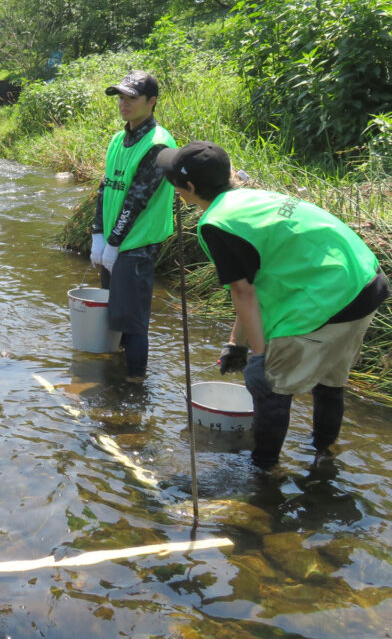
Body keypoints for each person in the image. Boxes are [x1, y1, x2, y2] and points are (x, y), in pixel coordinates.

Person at [158, 141, 389, 469]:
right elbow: (254, 283)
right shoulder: (250, 197)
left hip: (329, 297)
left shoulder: (215, 223)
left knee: (268, 387)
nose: (176, 191)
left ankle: (264, 475)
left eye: (176, 184)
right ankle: (324, 460)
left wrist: (260, 356)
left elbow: (243, 293)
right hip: (365, 281)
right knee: (330, 382)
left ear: (191, 188)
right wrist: (235, 344)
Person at [90, 70, 176, 381]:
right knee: (115, 312)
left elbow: (136, 201)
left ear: (152, 102)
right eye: (121, 97)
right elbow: (105, 187)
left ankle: (134, 385)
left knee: (132, 320)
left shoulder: (158, 144)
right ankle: (118, 375)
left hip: (137, 244)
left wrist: (113, 243)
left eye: (132, 98)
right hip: (115, 241)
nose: (124, 104)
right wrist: (98, 234)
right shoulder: (119, 138)